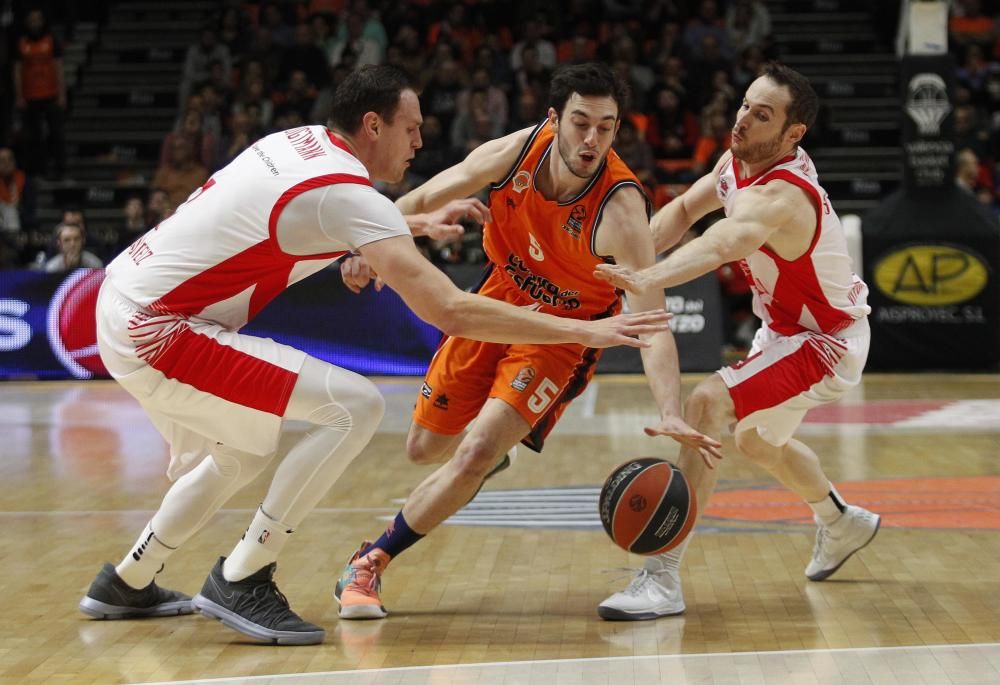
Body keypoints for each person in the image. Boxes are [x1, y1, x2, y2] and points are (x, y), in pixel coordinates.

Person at [76, 64, 669, 646]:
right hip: (161, 329)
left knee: (244, 450)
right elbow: (450, 309)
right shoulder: (349, 194)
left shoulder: (296, 143)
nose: (420, 140)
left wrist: (406, 224)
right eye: (410, 129)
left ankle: (126, 581)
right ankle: (244, 576)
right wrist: (587, 334)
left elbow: (322, 221)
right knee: (354, 406)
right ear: (373, 126)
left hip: (126, 295)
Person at [334, 62, 721, 620]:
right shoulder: (518, 150)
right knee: (425, 450)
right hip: (494, 304)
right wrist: (362, 246)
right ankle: (483, 462)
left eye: (606, 128)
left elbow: (650, 321)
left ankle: (370, 562)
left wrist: (670, 409)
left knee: (473, 451)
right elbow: (425, 195)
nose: (591, 140)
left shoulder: (621, 210)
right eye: (581, 123)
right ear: (554, 119)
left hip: (561, 339)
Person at [593, 63, 881, 621]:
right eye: (746, 105)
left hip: (827, 340)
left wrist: (648, 279)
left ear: (794, 134)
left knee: (706, 405)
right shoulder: (735, 163)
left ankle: (661, 578)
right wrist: (620, 262)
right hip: (783, 332)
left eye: (762, 114)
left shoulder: (785, 195)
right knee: (755, 443)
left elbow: (725, 240)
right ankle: (841, 521)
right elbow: (681, 211)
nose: (742, 119)